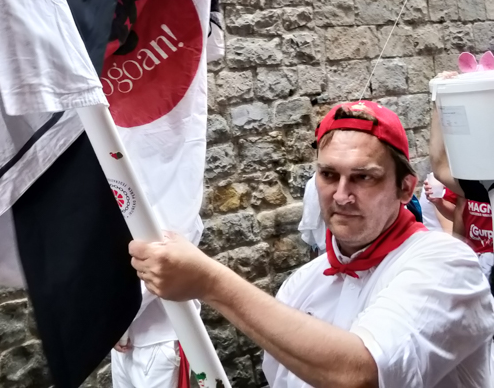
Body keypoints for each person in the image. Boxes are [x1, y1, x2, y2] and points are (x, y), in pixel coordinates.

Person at [129, 100, 494, 387]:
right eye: (329, 175)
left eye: (363, 177)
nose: (342, 195)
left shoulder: (447, 264)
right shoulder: (303, 283)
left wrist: (211, 282)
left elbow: (360, 374)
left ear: (405, 189)